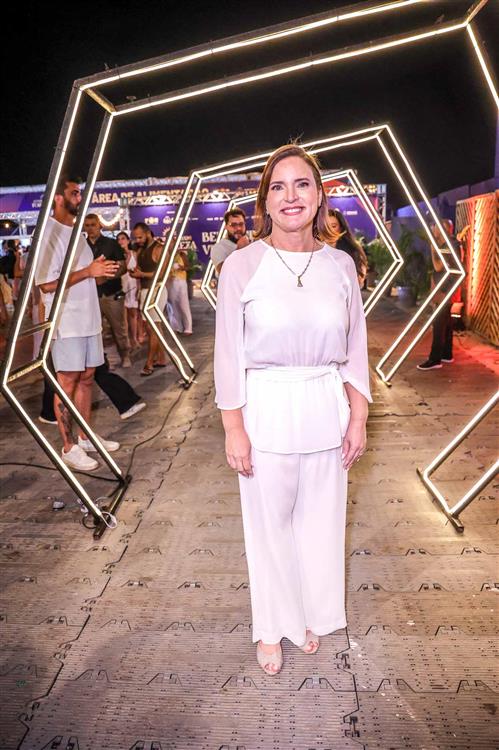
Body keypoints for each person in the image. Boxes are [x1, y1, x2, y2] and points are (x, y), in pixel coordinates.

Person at [214, 144, 371, 676]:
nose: (291, 197)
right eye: (278, 187)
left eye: (302, 184)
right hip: (266, 409)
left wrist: (358, 417)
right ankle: (270, 626)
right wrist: (233, 427)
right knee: (269, 527)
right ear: (265, 201)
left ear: (319, 195)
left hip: (326, 407)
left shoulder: (340, 265)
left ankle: (304, 615)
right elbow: (229, 353)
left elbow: (355, 347)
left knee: (319, 526)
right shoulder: (241, 266)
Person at [35, 174, 121, 471]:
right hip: (67, 321)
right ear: (58, 198)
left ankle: (85, 437)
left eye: (80, 193)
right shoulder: (48, 233)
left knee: (87, 377)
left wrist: (100, 271)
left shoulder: (77, 232)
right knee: (67, 382)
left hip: (89, 318)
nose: (79, 198)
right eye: (74, 193)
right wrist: (87, 272)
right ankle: (68, 446)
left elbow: (84, 273)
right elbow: (46, 284)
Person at [83, 214, 131, 368]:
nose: (90, 228)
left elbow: (123, 267)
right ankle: (103, 362)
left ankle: (125, 355)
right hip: (91, 295)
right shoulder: (82, 247)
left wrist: (107, 276)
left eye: (93, 224)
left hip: (112, 292)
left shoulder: (111, 244)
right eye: (87, 225)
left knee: (119, 328)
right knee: (97, 331)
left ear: (100, 225)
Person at [417, 218, 459, 370]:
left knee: (439, 323)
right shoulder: (448, 245)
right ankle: (447, 354)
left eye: (436, 227)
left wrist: (433, 248)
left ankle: (435, 359)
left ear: (443, 230)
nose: (433, 229)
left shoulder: (449, 246)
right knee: (446, 321)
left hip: (445, 288)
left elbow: (438, 266)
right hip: (445, 287)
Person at [130, 222, 168, 376]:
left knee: (154, 328)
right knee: (153, 328)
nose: (138, 240)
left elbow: (162, 273)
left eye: (140, 237)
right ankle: (162, 358)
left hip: (157, 290)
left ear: (147, 233)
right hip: (145, 290)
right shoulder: (141, 250)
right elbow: (141, 270)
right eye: (136, 238)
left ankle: (149, 362)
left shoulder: (159, 248)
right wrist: (137, 274)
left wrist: (142, 274)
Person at [328, 208, 368, 287]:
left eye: (333, 226)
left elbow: (359, 282)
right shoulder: (314, 250)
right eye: (325, 226)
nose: (328, 230)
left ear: (341, 228)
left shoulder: (352, 251)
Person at [117, 230, 141, 351]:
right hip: (121, 285)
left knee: (133, 313)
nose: (120, 241)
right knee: (123, 316)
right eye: (118, 239)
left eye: (123, 238)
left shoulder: (134, 254)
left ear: (128, 241)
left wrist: (139, 287)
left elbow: (138, 270)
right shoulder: (116, 255)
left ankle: (134, 339)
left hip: (133, 285)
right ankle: (126, 342)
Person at [210, 208, 249, 275]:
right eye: (233, 225)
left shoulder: (252, 244)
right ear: (226, 227)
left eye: (241, 224)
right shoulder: (218, 248)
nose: (238, 228)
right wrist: (239, 250)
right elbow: (224, 272)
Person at [167, 247, 192, 335]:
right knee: (173, 305)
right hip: (170, 281)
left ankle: (188, 328)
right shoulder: (167, 255)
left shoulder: (181, 254)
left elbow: (188, 267)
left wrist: (182, 267)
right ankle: (177, 327)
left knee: (184, 304)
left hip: (181, 281)